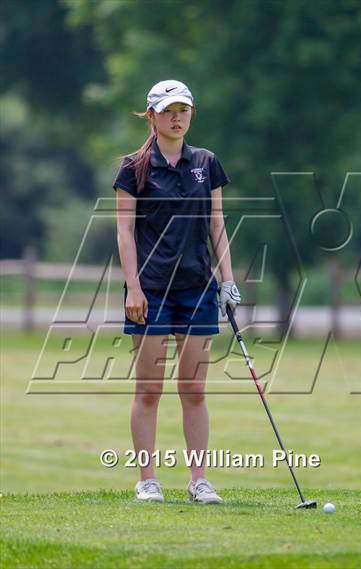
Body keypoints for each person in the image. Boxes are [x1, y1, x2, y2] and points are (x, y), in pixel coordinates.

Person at [113, 79, 241, 504]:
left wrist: (228, 280)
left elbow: (216, 225)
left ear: (192, 113)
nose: (176, 117)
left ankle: (198, 481)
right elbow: (125, 231)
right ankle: (148, 480)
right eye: (168, 110)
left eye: (183, 109)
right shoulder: (133, 168)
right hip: (150, 291)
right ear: (151, 115)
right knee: (149, 390)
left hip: (197, 288)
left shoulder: (206, 162)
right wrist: (133, 287)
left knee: (194, 389)